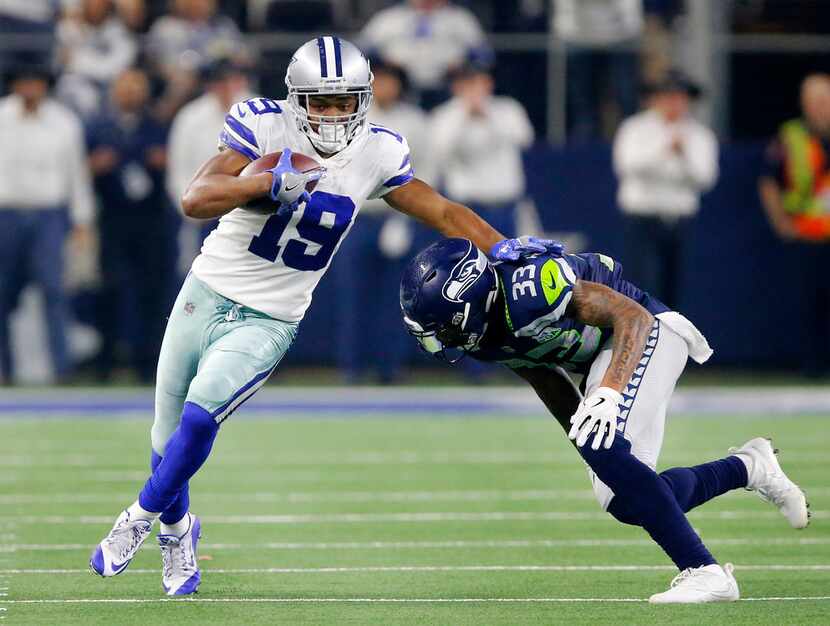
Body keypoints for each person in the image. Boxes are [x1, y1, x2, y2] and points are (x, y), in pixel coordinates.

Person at [88, 36, 505, 596]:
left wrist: (506, 249)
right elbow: (194, 198)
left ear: (364, 99)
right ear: (294, 98)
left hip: (273, 314)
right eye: (320, 101)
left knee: (200, 416)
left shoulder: (378, 151)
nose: (333, 114)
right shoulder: (262, 125)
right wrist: (263, 183)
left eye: (344, 101)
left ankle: (138, 516)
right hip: (208, 288)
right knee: (165, 439)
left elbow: (445, 210)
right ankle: (179, 529)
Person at [399, 236, 809, 603]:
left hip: (648, 331)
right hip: (605, 356)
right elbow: (540, 372)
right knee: (625, 499)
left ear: (468, 299)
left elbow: (633, 318)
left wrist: (609, 394)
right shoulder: (482, 336)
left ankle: (705, 571)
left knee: (609, 454)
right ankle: (748, 467)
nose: (443, 340)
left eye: (443, 328)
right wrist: (588, 445)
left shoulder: (530, 288)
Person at [333, 57, 430, 383]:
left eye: (391, 80)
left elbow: (428, 171)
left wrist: (406, 217)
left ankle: (391, 368)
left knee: (397, 298)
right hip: (357, 217)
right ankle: (351, 367)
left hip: (396, 217)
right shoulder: (352, 118)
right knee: (352, 296)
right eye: (380, 81)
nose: (385, 87)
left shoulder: (414, 121)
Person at [0, 62, 95, 384]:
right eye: (24, 82)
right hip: (6, 213)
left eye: (35, 82)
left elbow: (76, 174)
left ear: (44, 85)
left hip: (49, 215)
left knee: (54, 290)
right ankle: (4, 370)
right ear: (14, 85)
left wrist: (82, 218)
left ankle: (62, 368)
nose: (30, 88)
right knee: (2, 293)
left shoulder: (64, 122)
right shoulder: (2, 117)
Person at [85, 67, 175, 382]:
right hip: (113, 217)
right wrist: (96, 166)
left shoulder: (158, 125)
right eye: (125, 87)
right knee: (110, 289)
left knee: (152, 290)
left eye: (137, 87)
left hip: (151, 219)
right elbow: (82, 168)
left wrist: (162, 162)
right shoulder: (99, 126)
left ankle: (147, 364)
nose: (131, 94)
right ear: (114, 91)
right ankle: (106, 362)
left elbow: (175, 164)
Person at [613, 69, 718, 310]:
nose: (674, 102)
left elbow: (705, 177)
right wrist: (664, 149)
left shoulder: (700, 135)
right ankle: (644, 343)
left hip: (680, 222)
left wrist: (683, 154)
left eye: (680, 96)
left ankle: (673, 344)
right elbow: (628, 165)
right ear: (655, 98)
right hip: (643, 220)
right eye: (667, 96)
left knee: (676, 290)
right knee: (642, 286)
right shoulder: (634, 128)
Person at [759, 73, 830, 377]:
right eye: (813, 100)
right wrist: (782, 223)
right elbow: (769, 180)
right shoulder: (790, 136)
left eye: (824, 99)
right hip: (807, 234)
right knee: (807, 304)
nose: (819, 106)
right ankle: (811, 367)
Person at [430, 60, 533, 239]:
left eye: (478, 82)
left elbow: (525, 139)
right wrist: (465, 115)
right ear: (457, 87)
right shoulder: (444, 115)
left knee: (509, 265)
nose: (474, 89)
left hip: (505, 205)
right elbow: (440, 150)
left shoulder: (507, 109)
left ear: (488, 83)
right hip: (466, 208)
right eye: (467, 83)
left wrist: (487, 115)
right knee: (467, 265)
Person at [167, 57, 253, 271]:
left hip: (249, 213)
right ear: (211, 85)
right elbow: (178, 171)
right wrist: (193, 207)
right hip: (207, 212)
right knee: (201, 275)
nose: (227, 87)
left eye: (232, 80)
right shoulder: (190, 117)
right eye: (221, 81)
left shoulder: (259, 111)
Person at [360, 0, 488, 108]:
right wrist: (385, 66)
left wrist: (462, 65)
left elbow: (483, 55)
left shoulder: (460, 18)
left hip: (449, 86)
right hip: (400, 87)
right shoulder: (389, 18)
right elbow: (362, 51)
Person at [553, 0, 643, 141]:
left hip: (620, 36)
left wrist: (630, 27)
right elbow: (564, 13)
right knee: (583, 99)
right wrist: (565, 30)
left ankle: (632, 138)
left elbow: (630, 14)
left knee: (624, 93)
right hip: (578, 37)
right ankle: (585, 140)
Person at [55, 0, 137, 118]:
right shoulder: (71, 29)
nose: (94, 8)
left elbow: (114, 70)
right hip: (75, 88)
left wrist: (78, 61)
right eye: (90, 3)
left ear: (108, 6)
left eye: (99, 4)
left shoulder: (120, 33)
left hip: (108, 90)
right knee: (68, 85)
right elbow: (62, 59)